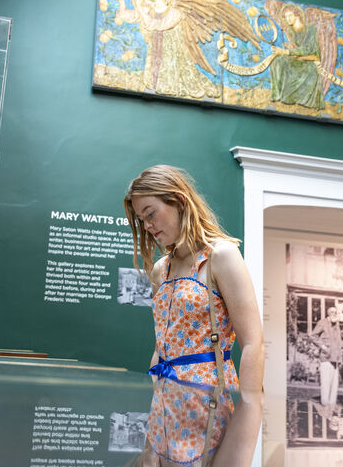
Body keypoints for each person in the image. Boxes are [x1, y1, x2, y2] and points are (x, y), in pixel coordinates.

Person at [123, 165, 264, 466]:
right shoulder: (162, 269)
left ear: (179, 201)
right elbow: (163, 344)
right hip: (165, 409)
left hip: (209, 405)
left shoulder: (220, 257)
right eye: (141, 219)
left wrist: (250, 413)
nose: (147, 225)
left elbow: (253, 342)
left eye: (151, 213)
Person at [308, 306, 342, 406]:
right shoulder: (322, 322)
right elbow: (312, 336)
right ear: (328, 313)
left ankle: (331, 409)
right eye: (332, 312)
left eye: (335, 312)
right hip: (326, 358)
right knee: (326, 385)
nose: (334, 314)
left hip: (335, 360)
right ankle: (324, 409)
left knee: (334, 387)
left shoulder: (337, 325)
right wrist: (323, 347)